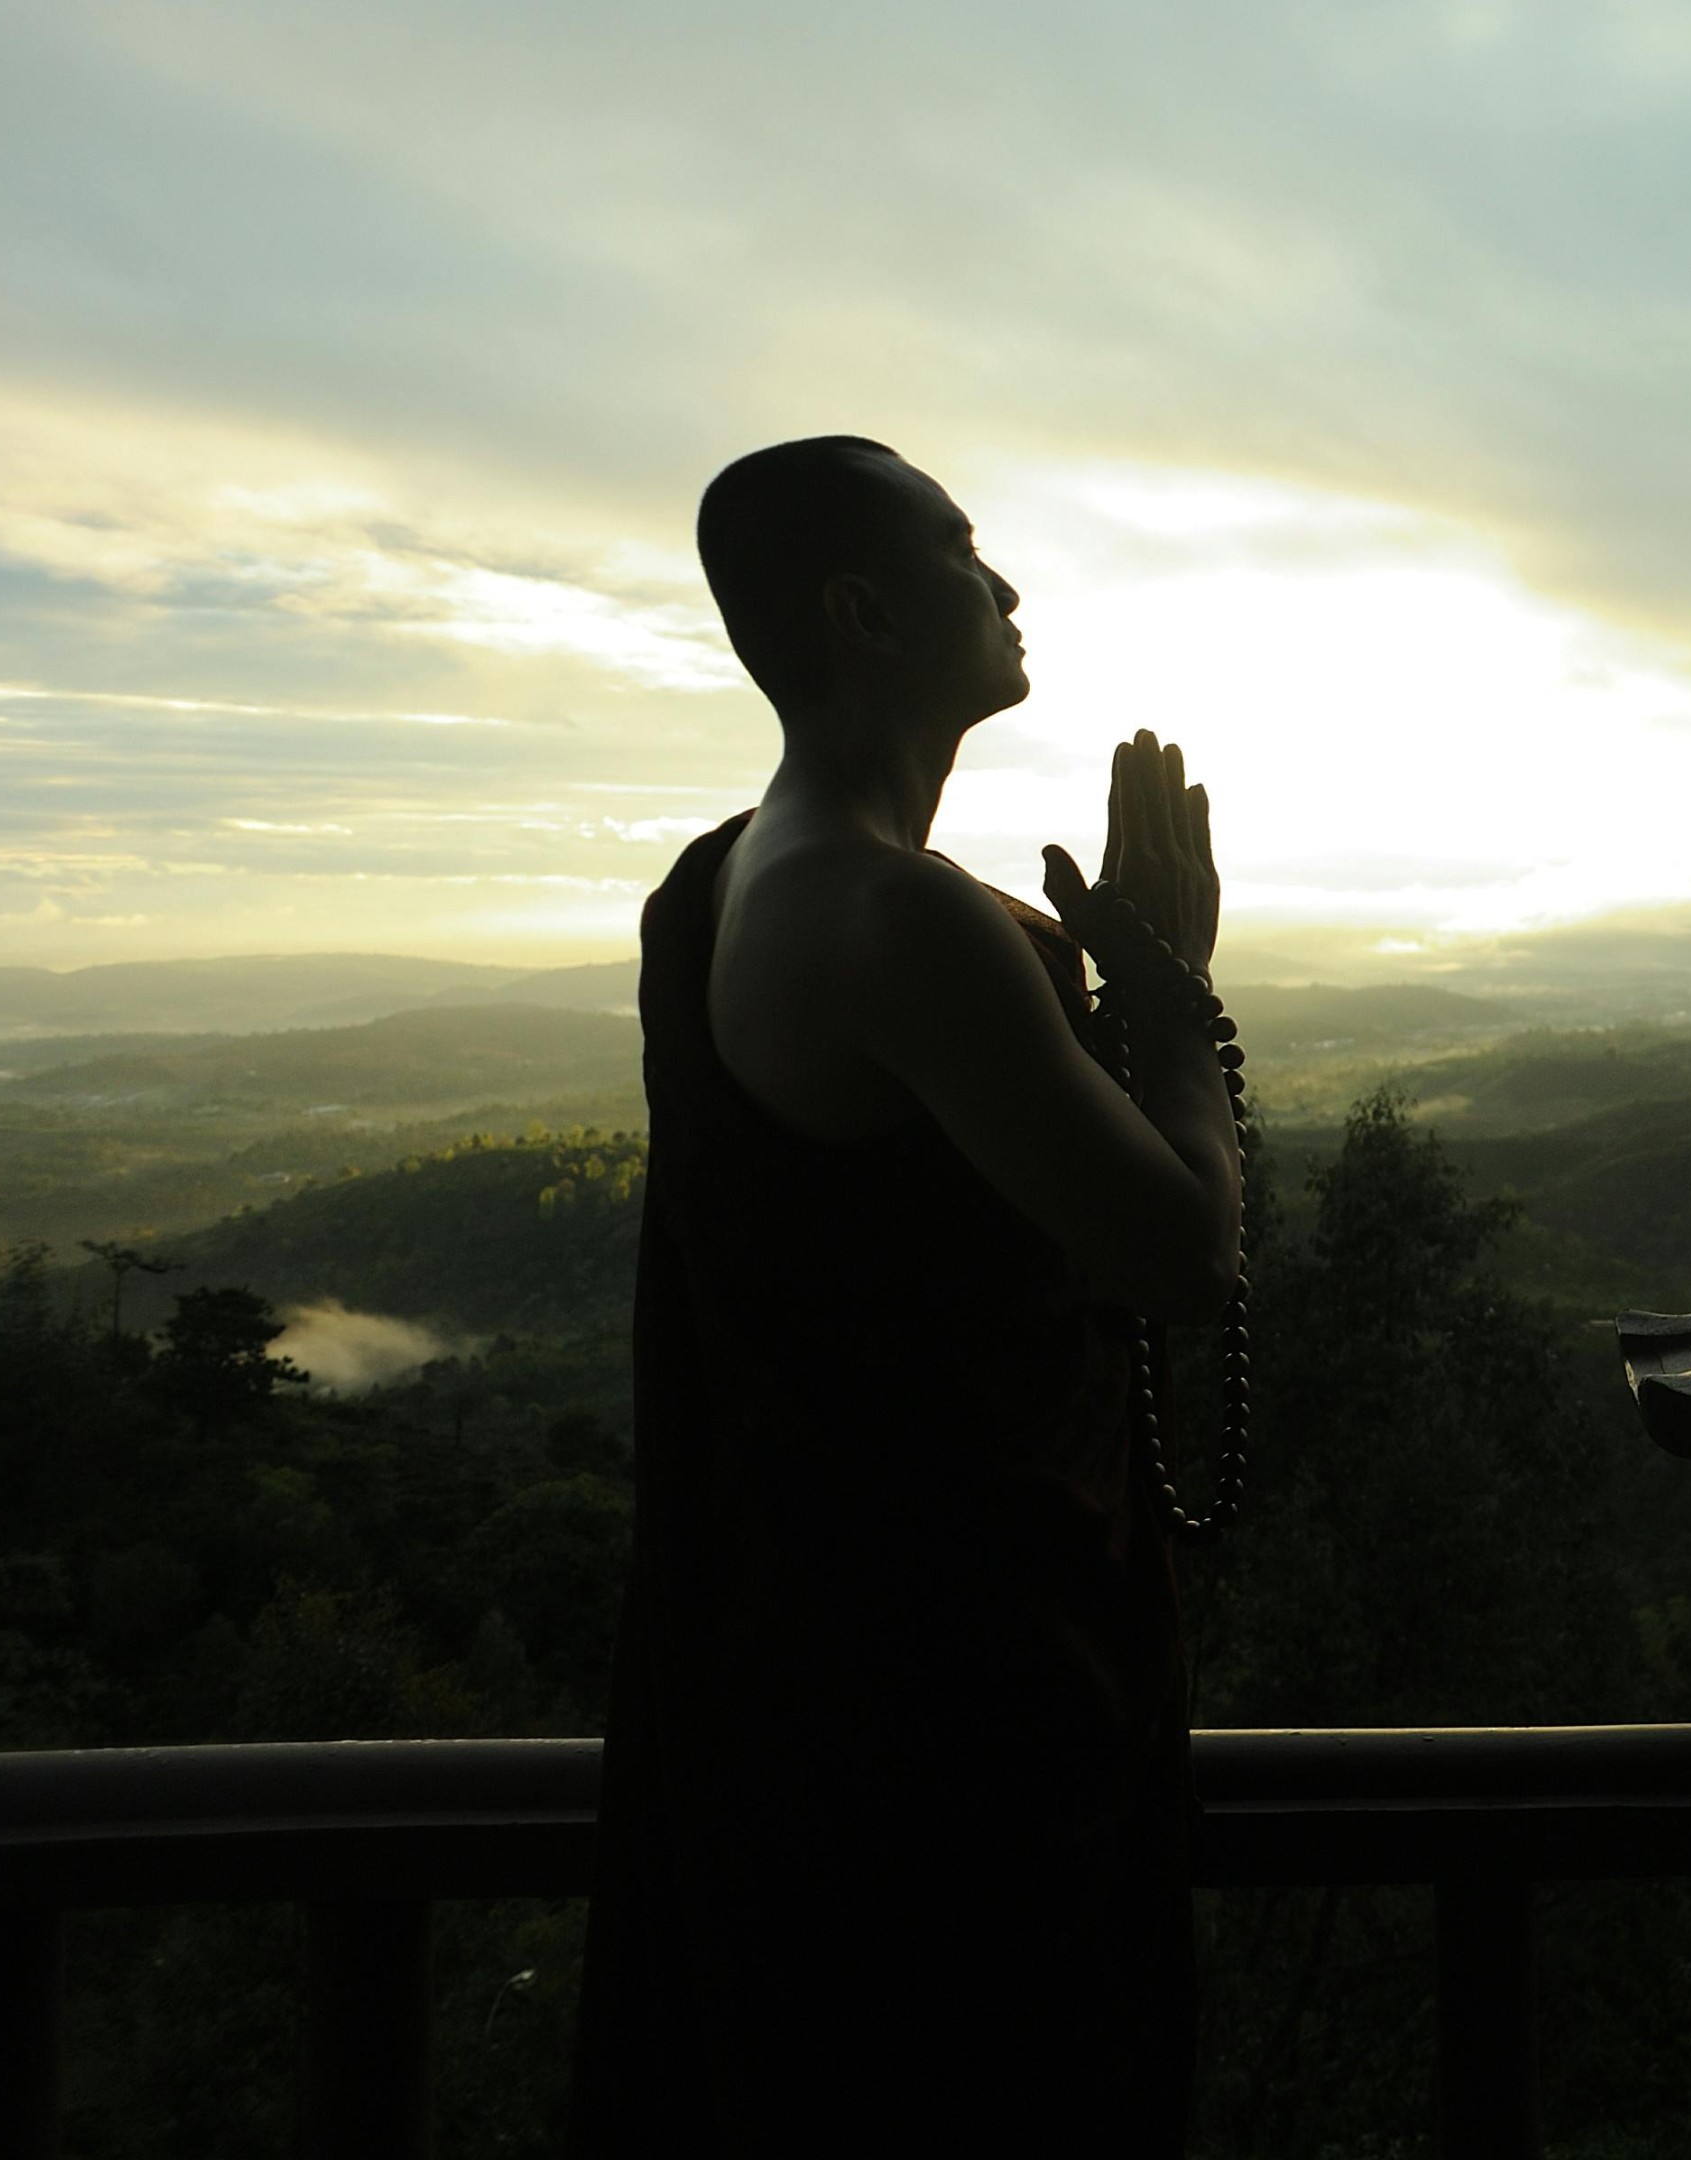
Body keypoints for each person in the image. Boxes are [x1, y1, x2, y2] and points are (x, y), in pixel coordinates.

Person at [571, 436, 1240, 2154]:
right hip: (958, 1735)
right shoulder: (897, 919)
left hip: (788, 1692)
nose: (1005, 586)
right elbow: (1177, 1252)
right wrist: (1173, 1001)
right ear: (864, 612)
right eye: (963, 553)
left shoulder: (720, 883)